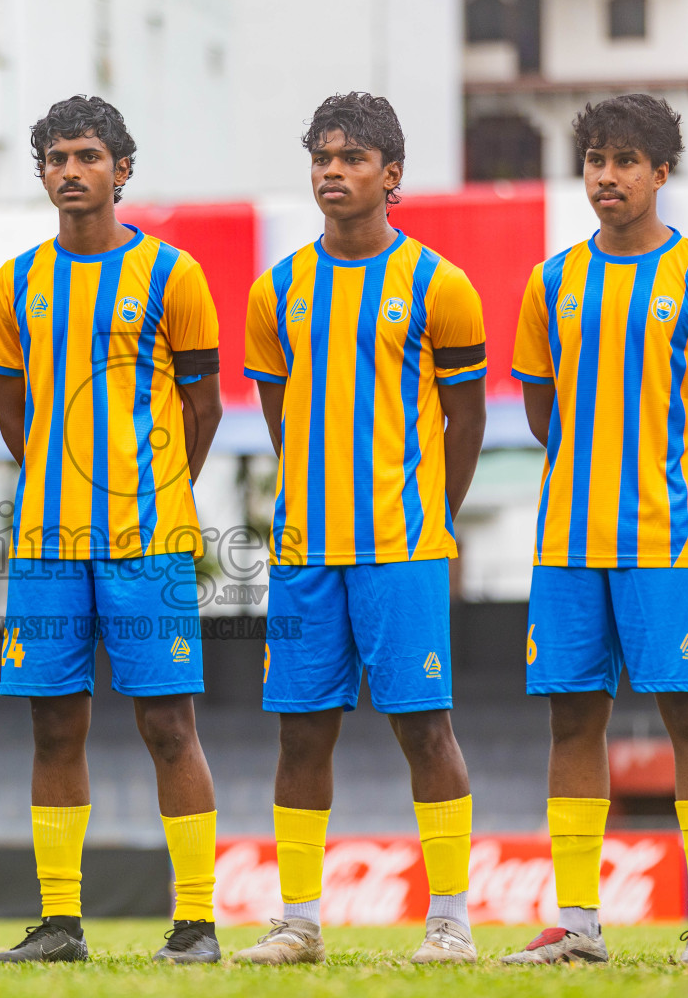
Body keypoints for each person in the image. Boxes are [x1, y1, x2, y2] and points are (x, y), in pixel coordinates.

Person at [504, 94, 688, 967]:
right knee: (572, 720)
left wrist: (682, 491)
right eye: (594, 161)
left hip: (668, 542)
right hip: (568, 544)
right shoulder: (553, 282)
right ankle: (578, 923)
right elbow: (542, 411)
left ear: (661, 171)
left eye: (624, 161)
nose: (605, 177)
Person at [233, 93, 486, 966]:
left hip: (402, 548)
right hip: (306, 551)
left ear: (393, 176)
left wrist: (430, 518)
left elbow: (467, 420)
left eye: (352, 157)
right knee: (301, 731)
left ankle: (450, 918)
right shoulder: (280, 289)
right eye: (320, 157)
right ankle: (297, 921)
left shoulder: (440, 285)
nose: (331, 171)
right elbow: (279, 413)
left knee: (425, 727)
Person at [0, 95, 223, 964]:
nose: (70, 171)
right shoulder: (16, 283)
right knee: (54, 726)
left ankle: (195, 924)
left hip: (148, 544)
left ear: (123, 169)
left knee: (168, 725)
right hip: (46, 545)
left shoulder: (173, 275)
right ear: (40, 173)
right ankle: (59, 924)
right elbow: (13, 415)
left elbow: (204, 407)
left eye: (87, 156)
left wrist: (148, 492)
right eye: (55, 157)